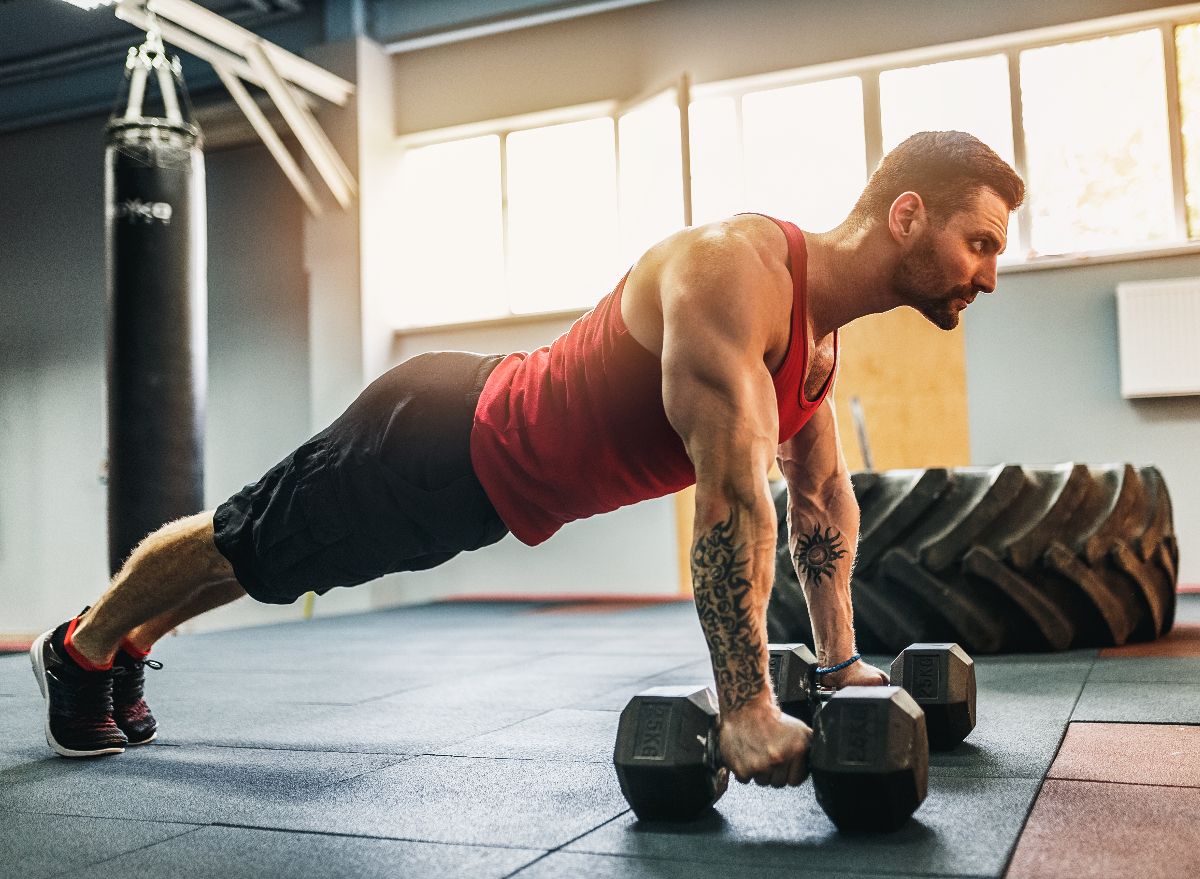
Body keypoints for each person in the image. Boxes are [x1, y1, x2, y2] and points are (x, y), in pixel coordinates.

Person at [31, 130, 1023, 790]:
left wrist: (844, 662)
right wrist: (747, 707)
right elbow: (732, 500)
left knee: (273, 561)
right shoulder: (741, 269)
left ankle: (121, 644)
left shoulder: (821, 343)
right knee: (243, 538)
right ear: (906, 215)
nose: (987, 271)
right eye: (978, 241)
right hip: (440, 437)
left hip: (480, 489)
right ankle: (78, 647)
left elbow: (819, 503)